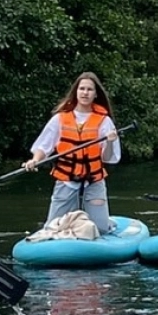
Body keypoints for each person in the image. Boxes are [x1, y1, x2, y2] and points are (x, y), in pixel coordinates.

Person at [28, 73, 122, 235]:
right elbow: (44, 146)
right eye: (82, 89)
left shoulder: (104, 121)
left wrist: (111, 141)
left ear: (95, 94)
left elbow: (107, 158)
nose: (85, 93)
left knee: (100, 229)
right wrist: (35, 160)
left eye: (89, 89)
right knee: (52, 228)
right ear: (76, 92)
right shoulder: (60, 118)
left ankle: (107, 222)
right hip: (66, 180)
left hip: (94, 181)